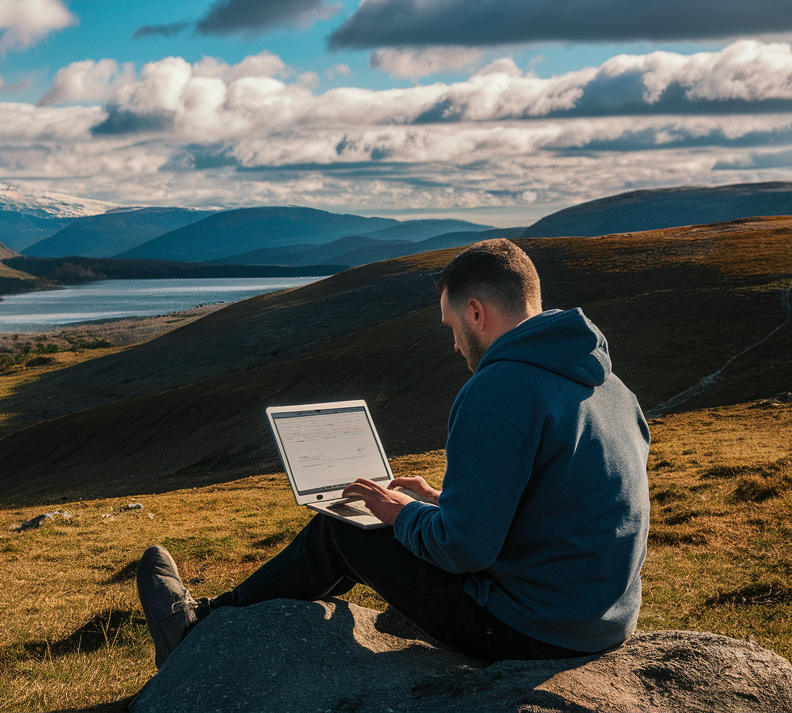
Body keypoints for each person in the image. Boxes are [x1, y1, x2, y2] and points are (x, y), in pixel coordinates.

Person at [137, 238, 650, 667]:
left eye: (451, 326)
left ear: (477, 312)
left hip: (532, 630)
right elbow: (562, 502)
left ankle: (196, 631)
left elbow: (465, 550)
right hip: (601, 621)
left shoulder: (499, 389)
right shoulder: (609, 386)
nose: (453, 344)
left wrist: (401, 515)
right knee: (383, 520)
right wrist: (442, 502)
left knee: (340, 531)